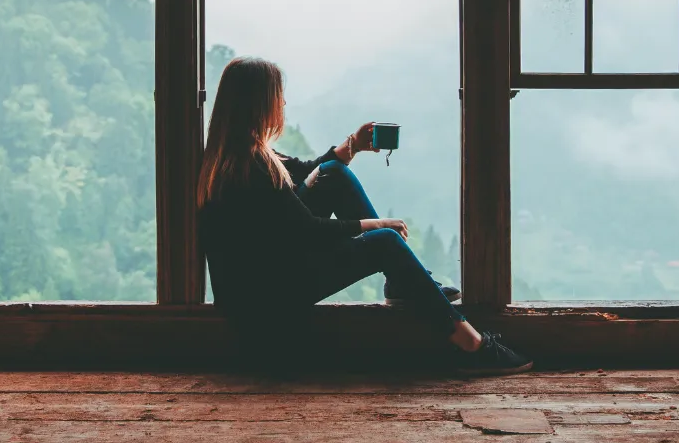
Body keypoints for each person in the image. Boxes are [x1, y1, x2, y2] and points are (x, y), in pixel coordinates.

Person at [197, 56, 533, 373]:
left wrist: (352, 147)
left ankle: (402, 283)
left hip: (261, 280)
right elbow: (307, 231)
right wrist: (377, 225)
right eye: (278, 97)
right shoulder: (252, 165)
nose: (283, 104)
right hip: (263, 303)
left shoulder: (236, 153)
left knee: (333, 173)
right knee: (385, 241)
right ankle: (471, 345)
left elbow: (305, 173)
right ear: (258, 104)